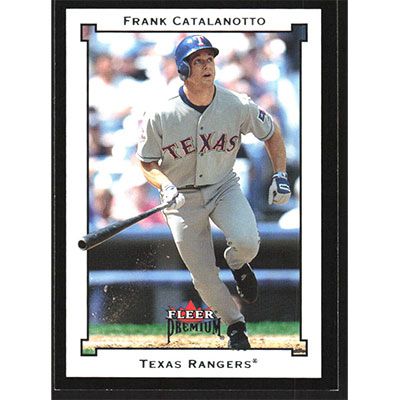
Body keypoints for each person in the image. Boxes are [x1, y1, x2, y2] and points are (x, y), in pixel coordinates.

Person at [137, 35, 291, 349]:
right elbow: (147, 162)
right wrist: (165, 185)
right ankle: (235, 325)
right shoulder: (161, 113)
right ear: (183, 69)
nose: (207, 66)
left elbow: (271, 132)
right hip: (181, 197)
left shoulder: (236, 103)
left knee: (247, 243)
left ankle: (237, 262)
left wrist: (280, 173)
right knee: (203, 276)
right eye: (198, 61)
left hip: (222, 186)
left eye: (210, 59)